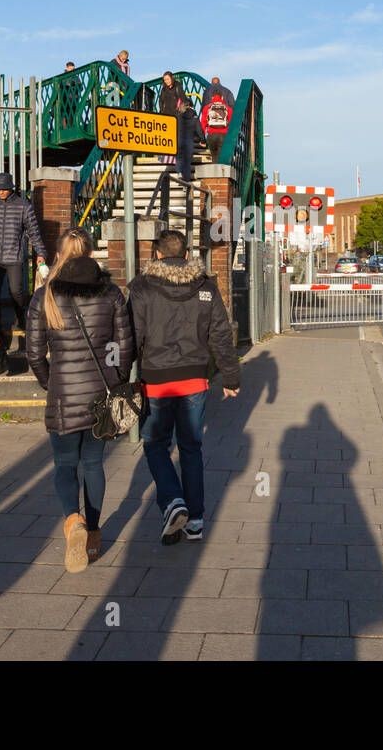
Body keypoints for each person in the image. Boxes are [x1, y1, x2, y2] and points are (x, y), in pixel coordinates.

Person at [25, 229, 134, 572]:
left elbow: (33, 354)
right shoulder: (112, 293)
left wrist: (51, 383)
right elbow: (124, 347)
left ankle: (73, 522)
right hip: (101, 395)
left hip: (63, 396)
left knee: (64, 465)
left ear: (59, 254)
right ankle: (95, 533)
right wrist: (115, 383)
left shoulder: (45, 296)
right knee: (93, 465)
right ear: (89, 253)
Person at [128, 229, 240, 544]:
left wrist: (120, 376)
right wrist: (230, 376)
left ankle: (172, 500)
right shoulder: (204, 285)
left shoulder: (141, 287)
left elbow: (132, 336)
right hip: (194, 379)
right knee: (191, 448)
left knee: (155, 445)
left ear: (157, 254)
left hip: (157, 381)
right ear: (187, 253)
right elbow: (219, 331)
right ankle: (195, 520)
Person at [0, 174, 48, 368]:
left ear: (11, 188)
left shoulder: (23, 206)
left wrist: (40, 253)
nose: (1, 192)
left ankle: (19, 317)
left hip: (14, 257)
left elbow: (33, 231)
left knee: (16, 291)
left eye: (4, 189)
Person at [200, 77, 235, 163]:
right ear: (222, 97)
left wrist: (202, 138)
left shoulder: (206, 108)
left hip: (211, 134)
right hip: (223, 134)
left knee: (214, 157)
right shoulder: (228, 107)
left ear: (212, 97)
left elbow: (203, 122)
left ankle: (214, 174)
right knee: (222, 157)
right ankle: (221, 174)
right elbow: (232, 121)